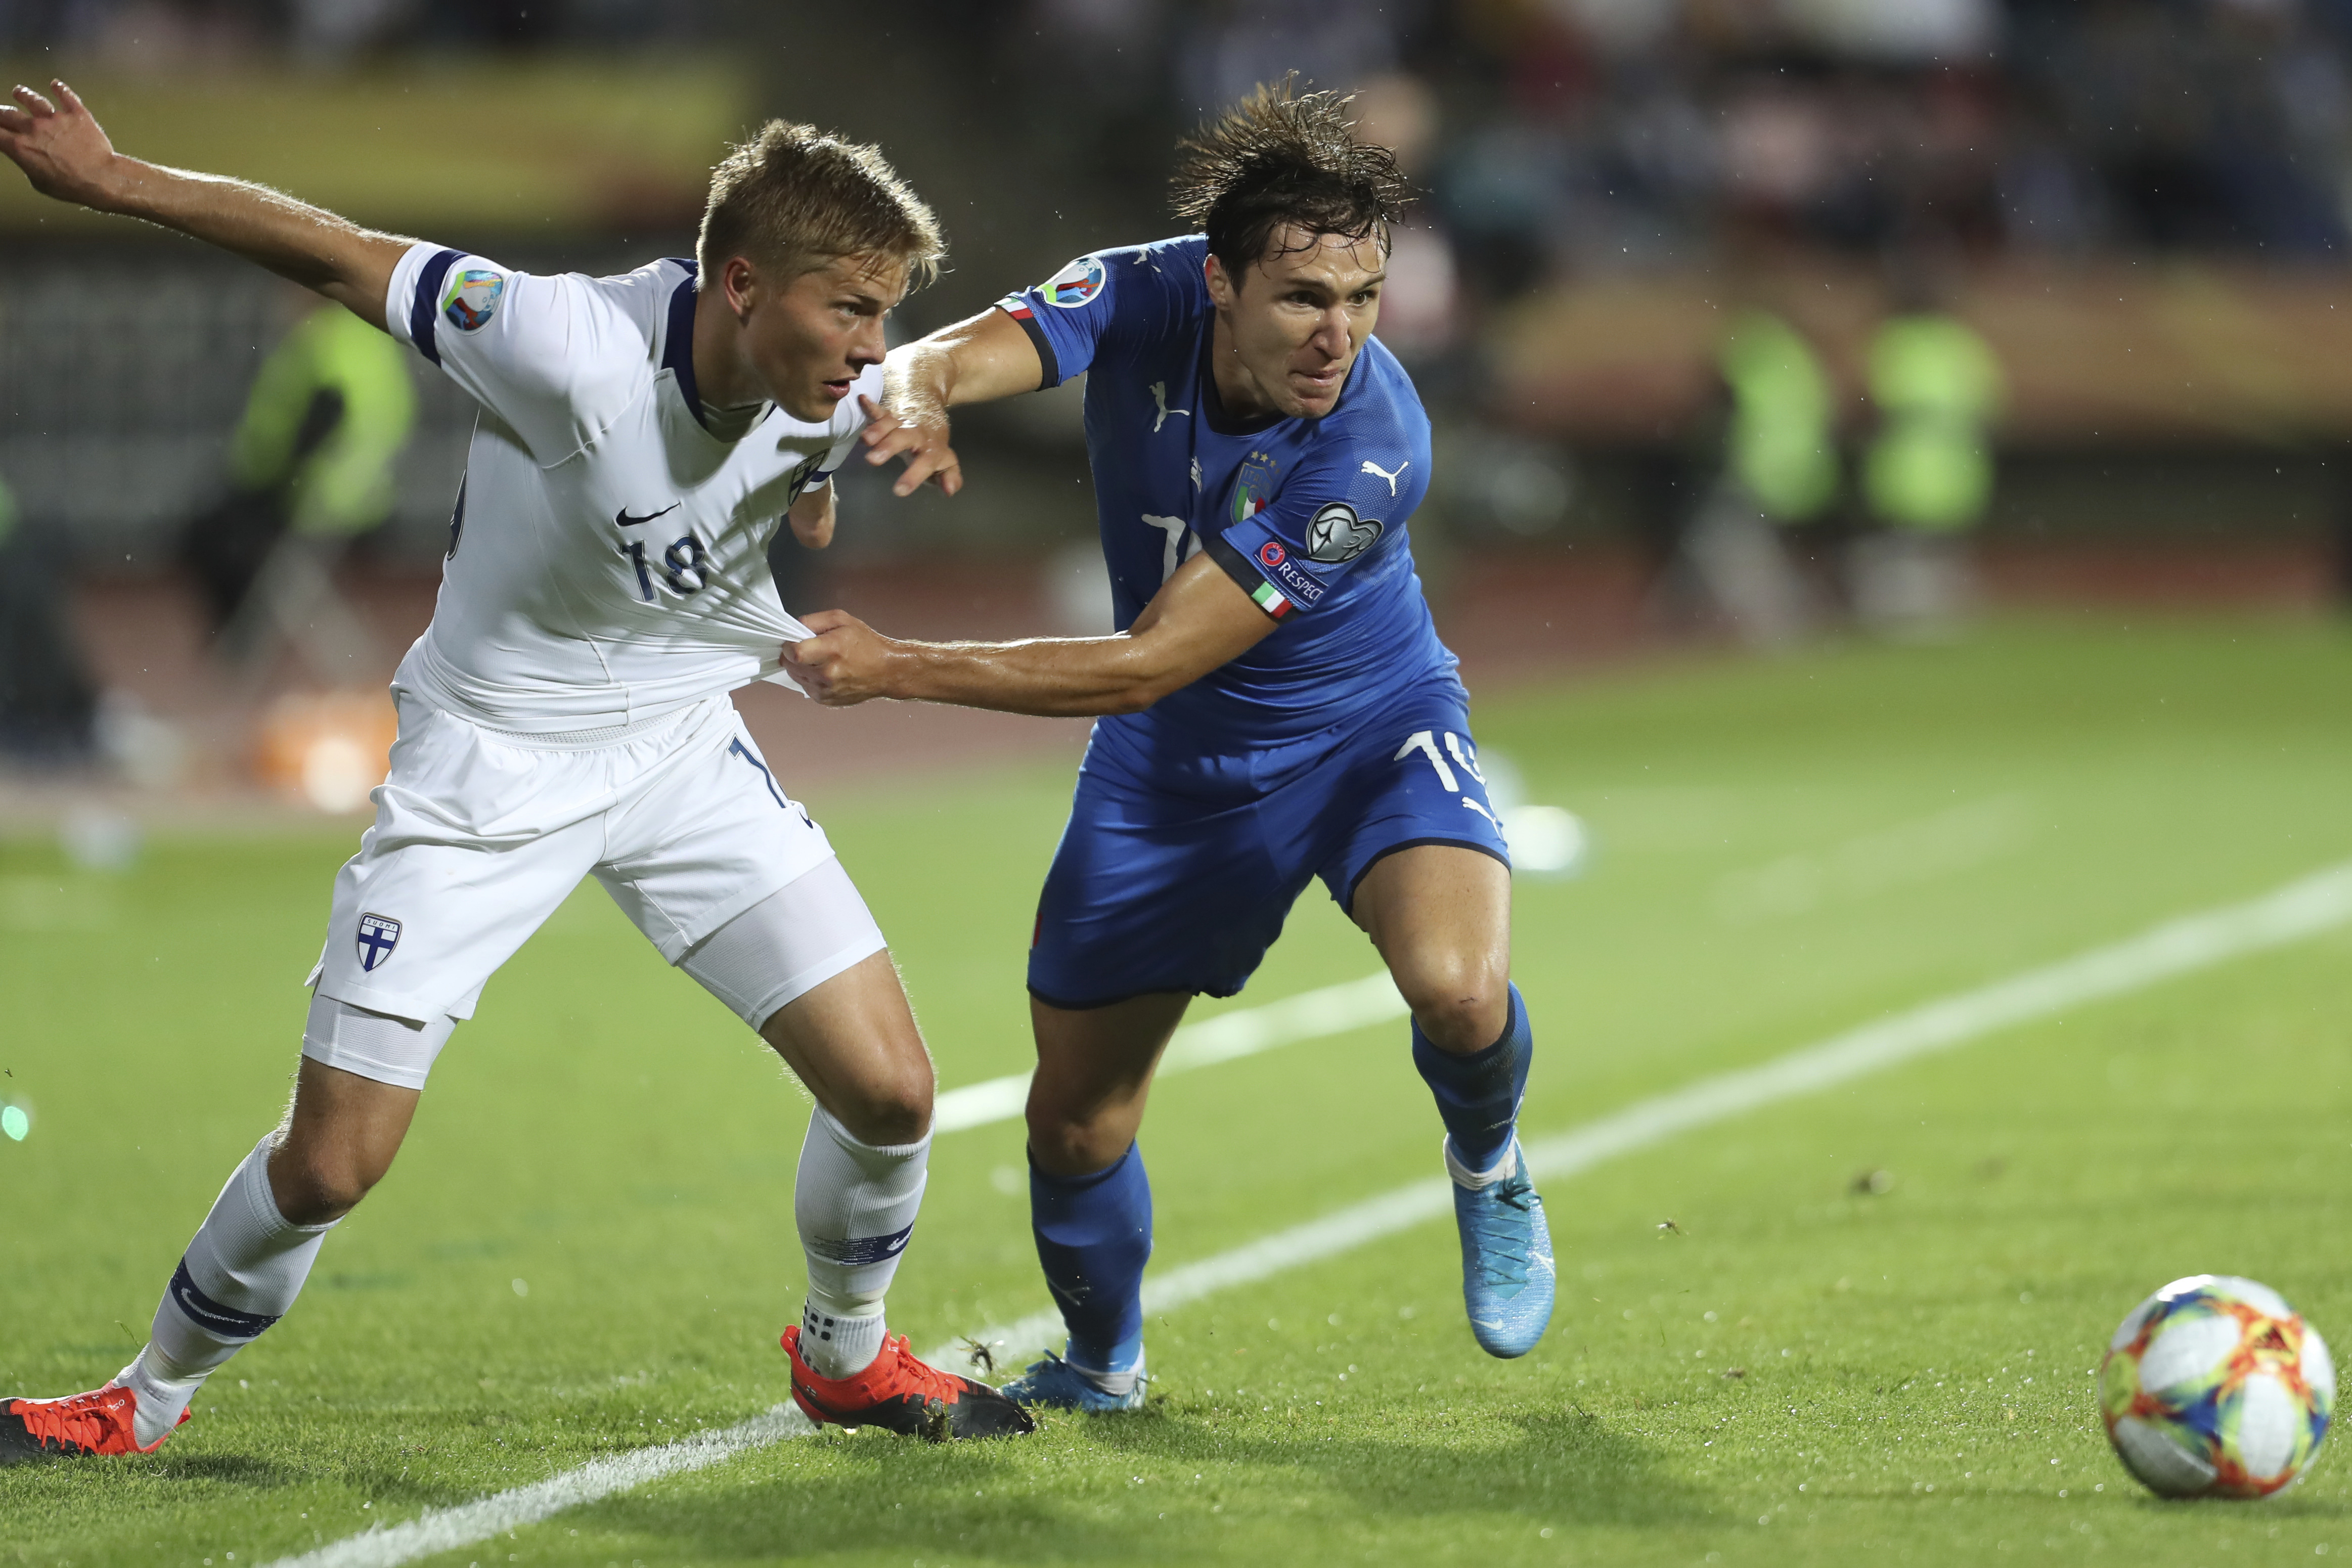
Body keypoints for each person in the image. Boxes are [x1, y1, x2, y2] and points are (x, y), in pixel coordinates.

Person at [0, 79, 1032, 1462]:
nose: (873, 342)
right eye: (850, 307)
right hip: (486, 768)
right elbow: (339, 254)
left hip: (680, 751)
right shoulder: (564, 343)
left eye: (885, 313)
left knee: (893, 1091)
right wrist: (113, 178)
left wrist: (838, 467)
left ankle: (843, 1355)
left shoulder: (832, 386)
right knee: (333, 1161)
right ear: (740, 284)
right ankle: (143, 1396)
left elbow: (843, 427)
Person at [787, 81, 1555, 1412]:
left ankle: (1488, 1163)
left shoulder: (1373, 445)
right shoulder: (1136, 292)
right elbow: (958, 351)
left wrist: (898, 666)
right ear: (1219, 281)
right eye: (1304, 297)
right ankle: (1104, 1364)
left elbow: (1147, 661)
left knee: (1457, 989)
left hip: (1368, 730)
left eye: (1363, 297)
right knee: (1074, 1116)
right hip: (1174, 774)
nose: (1338, 334)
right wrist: (914, 391)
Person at [182, 292, 417, 674]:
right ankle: (245, 640)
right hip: (363, 494)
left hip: (314, 495)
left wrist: (269, 481)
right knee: (266, 562)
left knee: (215, 536)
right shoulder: (368, 337)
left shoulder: (320, 338)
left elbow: (320, 416)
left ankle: (237, 642)